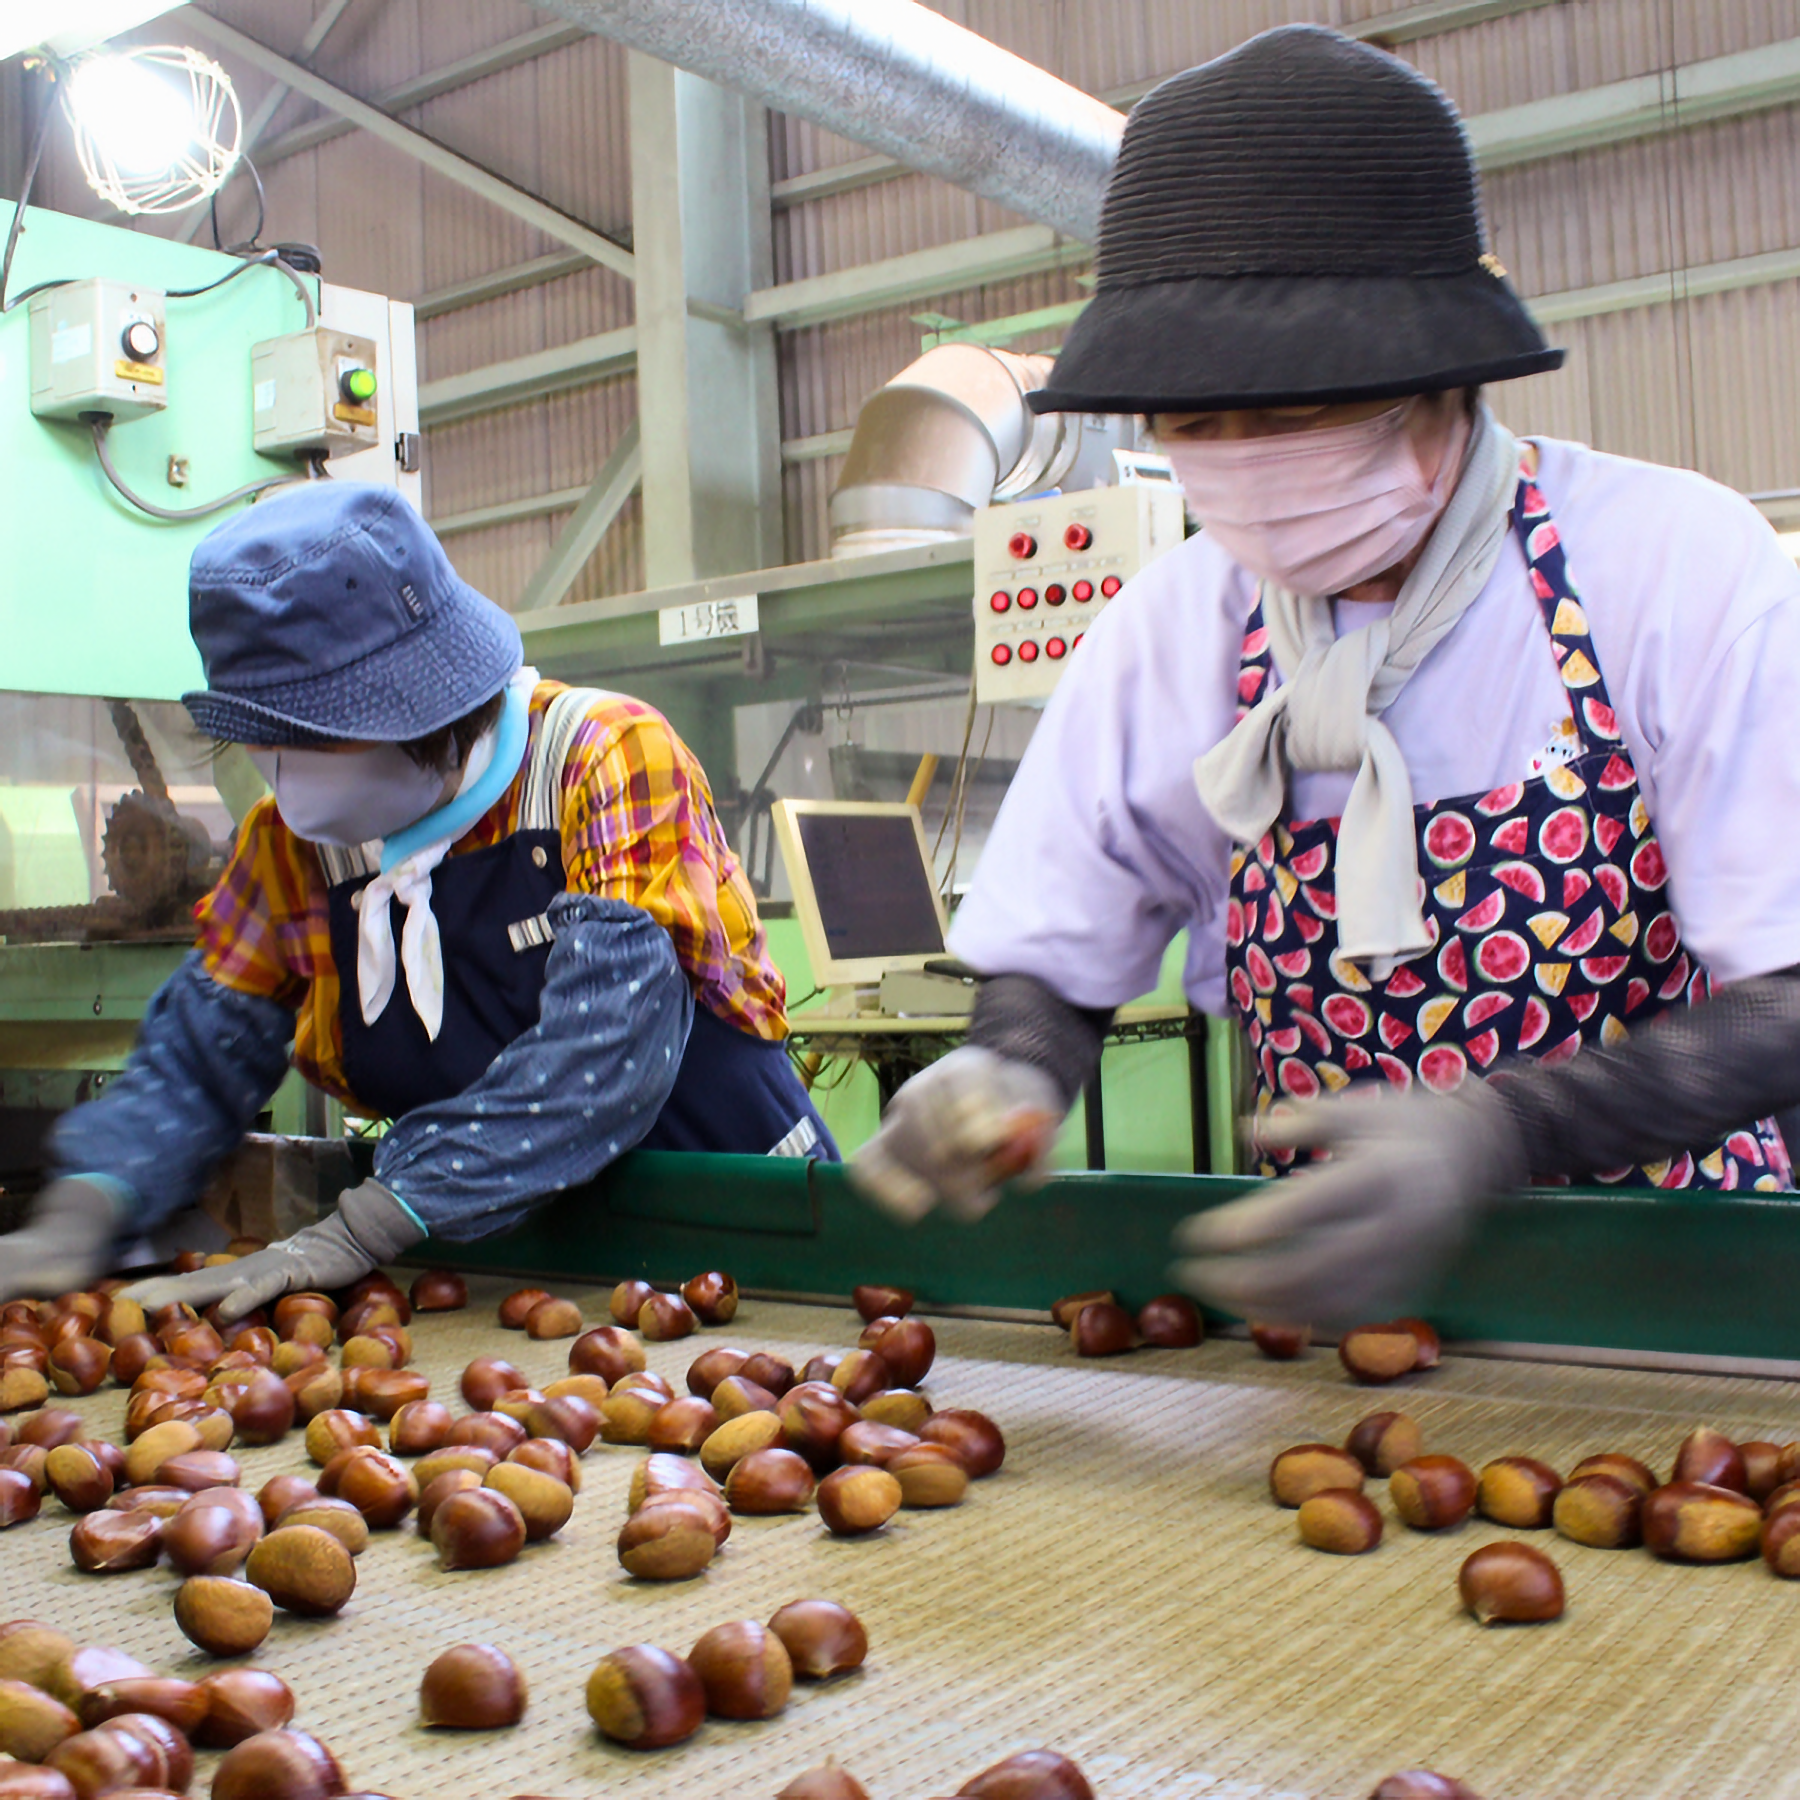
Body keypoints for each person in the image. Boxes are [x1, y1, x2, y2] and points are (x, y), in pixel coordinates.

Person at [851, 24, 1800, 1328]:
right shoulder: (1174, 628)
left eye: (1289, 413)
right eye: (1194, 421)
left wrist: (1502, 1131)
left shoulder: (1668, 567)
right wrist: (1008, 1071)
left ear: (1443, 384)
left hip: (1664, 1294)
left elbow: (1787, 998)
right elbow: (1060, 962)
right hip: (1329, 1301)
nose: (1239, 457)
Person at [0, 481, 833, 1314]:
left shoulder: (601, 759)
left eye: (312, 733)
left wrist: (366, 1223)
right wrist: (91, 1200)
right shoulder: (290, 849)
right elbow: (198, 1058)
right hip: (505, 1276)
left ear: (426, 703)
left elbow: (610, 1050)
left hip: (750, 1243)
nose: (285, 771)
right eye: (263, 735)